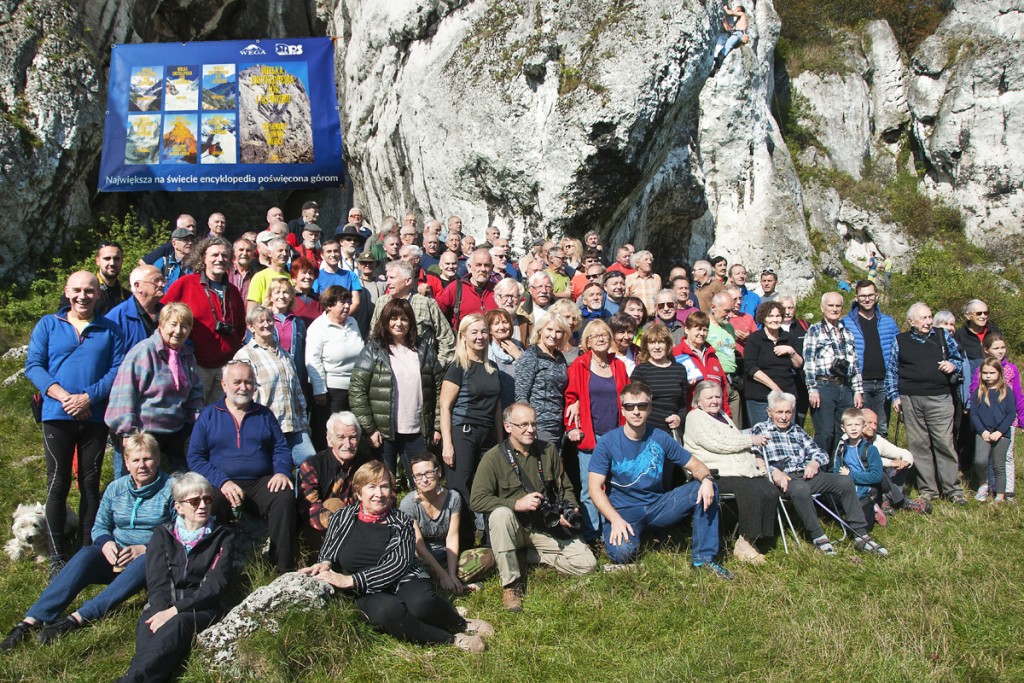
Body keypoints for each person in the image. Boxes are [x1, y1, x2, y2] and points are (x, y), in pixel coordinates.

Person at [0, 433, 173, 650]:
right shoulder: (115, 488)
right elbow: (100, 526)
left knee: (145, 560)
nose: (142, 465)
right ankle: (30, 621)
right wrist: (106, 543)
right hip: (116, 555)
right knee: (86, 554)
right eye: (135, 460)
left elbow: (179, 532)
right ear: (126, 463)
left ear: (157, 458)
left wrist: (146, 548)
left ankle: (77, 618)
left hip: (151, 559)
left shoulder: (171, 489)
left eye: (147, 459)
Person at [301, 461, 493, 652]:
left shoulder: (402, 521)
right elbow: (329, 549)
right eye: (372, 487)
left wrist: (350, 580)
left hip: (402, 578)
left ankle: (460, 622)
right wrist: (324, 563)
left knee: (421, 604)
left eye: (384, 486)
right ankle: (451, 639)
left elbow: (398, 565)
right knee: (390, 611)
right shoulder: (341, 517)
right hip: (365, 590)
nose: (379, 493)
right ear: (359, 492)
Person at [25, 271, 126, 574]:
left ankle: (86, 549)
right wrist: (66, 397)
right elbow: (34, 366)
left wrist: (87, 398)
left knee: (90, 484)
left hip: (94, 416)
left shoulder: (110, 330)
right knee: (57, 483)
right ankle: (56, 556)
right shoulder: (48, 324)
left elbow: (116, 368)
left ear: (98, 294)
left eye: (90, 291)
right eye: (77, 291)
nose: (83, 296)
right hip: (57, 414)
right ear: (67, 292)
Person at [588, 382, 733, 577]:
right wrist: (615, 520)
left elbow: (697, 466)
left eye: (642, 406)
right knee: (622, 554)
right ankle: (635, 536)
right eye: (630, 406)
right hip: (623, 512)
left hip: (658, 506)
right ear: (622, 410)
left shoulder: (660, 437)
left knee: (708, 486)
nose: (636, 411)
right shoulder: (607, 442)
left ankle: (703, 559)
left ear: (650, 409)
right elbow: (594, 488)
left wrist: (706, 479)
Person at [471, 403, 597, 610]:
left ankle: (521, 556)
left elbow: (565, 487)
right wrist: (515, 504)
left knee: (587, 564)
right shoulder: (493, 457)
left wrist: (570, 508)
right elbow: (476, 500)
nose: (530, 429)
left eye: (533, 424)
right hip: (513, 528)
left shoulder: (547, 451)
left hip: (544, 526)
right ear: (508, 427)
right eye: (523, 425)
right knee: (500, 514)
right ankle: (511, 586)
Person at [116, 473, 234, 683]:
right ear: (179, 507)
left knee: (177, 624)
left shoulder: (223, 536)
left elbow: (216, 586)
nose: (202, 506)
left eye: (208, 499)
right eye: (194, 501)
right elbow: (157, 580)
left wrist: (175, 610)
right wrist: (162, 611)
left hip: (202, 608)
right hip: (161, 605)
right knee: (148, 627)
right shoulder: (162, 534)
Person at [187, 361, 296, 574]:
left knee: (284, 496)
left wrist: (282, 471)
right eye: (237, 382)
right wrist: (223, 481)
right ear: (224, 385)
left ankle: (283, 567)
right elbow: (196, 458)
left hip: (259, 482)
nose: (243, 387)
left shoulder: (264, 415)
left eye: (248, 382)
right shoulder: (209, 415)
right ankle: (211, 567)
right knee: (210, 501)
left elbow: (281, 448)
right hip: (220, 483)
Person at [751, 391, 888, 556]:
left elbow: (820, 452)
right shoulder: (761, 429)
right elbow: (755, 459)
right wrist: (774, 472)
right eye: (779, 412)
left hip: (808, 474)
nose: (784, 417)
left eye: (788, 412)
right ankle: (818, 536)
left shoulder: (796, 430)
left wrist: (814, 463)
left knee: (844, 481)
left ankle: (860, 534)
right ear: (769, 412)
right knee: (800, 488)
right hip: (784, 479)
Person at [684, 381, 779, 564]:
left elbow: (735, 438)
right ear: (699, 401)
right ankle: (744, 544)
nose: (714, 401)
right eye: (709, 397)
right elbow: (719, 443)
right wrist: (750, 440)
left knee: (768, 489)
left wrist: (755, 458)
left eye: (718, 397)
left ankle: (755, 538)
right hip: (714, 473)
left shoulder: (722, 416)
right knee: (750, 490)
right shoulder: (695, 417)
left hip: (738, 470)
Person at [350, 298, 443, 481]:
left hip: (417, 430)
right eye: (393, 318)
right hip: (384, 433)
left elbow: (439, 388)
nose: (398, 323)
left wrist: (437, 426)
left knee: (422, 483)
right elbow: (356, 390)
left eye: (404, 319)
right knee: (384, 483)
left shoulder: (424, 349)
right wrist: (370, 428)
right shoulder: (373, 349)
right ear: (385, 320)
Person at [105, 303, 204, 474]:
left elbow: (195, 395)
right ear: (161, 325)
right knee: (139, 481)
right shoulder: (144, 352)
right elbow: (124, 395)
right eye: (173, 324)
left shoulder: (187, 355)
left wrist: (199, 423)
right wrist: (128, 433)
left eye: (184, 326)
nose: (178, 331)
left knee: (195, 467)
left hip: (176, 428)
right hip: (144, 430)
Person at [885, 302, 966, 504]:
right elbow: (892, 370)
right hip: (910, 399)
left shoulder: (942, 336)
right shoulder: (900, 340)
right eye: (924, 318)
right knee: (919, 444)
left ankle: (953, 489)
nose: (929, 322)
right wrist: (895, 396)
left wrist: (951, 365)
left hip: (939, 397)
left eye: (930, 317)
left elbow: (959, 360)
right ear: (911, 321)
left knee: (944, 442)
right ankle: (928, 490)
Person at [440, 314, 503, 550]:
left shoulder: (492, 368)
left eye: (484, 332)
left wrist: (500, 440)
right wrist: (448, 444)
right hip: (462, 433)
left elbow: (498, 407)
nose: (480, 337)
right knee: (460, 489)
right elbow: (445, 407)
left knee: (488, 486)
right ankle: (462, 545)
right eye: (474, 332)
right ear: (463, 336)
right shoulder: (457, 366)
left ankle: (490, 542)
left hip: (487, 435)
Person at [564, 320, 630, 541]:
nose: (601, 338)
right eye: (595, 335)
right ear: (587, 342)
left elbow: (627, 398)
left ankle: (611, 530)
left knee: (613, 485)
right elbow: (571, 398)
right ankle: (592, 534)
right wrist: (572, 427)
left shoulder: (618, 365)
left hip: (616, 436)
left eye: (605, 335)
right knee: (589, 488)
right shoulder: (579, 365)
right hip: (592, 436)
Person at [162, 236, 247, 403]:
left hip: (225, 366)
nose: (220, 259)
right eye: (214, 255)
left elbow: (240, 327)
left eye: (224, 256)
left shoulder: (233, 291)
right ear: (203, 258)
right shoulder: (185, 284)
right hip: (195, 364)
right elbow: (164, 316)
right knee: (194, 414)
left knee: (218, 417)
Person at [403, 452, 495, 594]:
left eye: (428, 473)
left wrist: (451, 574)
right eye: (418, 476)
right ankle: (449, 583)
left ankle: (446, 583)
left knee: (489, 556)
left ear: (438, 472)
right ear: (414, 479)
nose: (424, 480)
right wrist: (443, 574)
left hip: (448, 556)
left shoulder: (453, 498)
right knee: (414, 575)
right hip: (424, 560)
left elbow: (452, 537)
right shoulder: (408, 504)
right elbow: (419, 545)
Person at [234, 306, 315, 467]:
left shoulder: (284, 354)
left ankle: (304, 493)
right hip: (266, 427)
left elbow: (297, 390)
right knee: (274, 470)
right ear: (251, 326)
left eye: (269, 320)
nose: (266, 324)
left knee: (310, 463)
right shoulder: (244, 356)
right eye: (261, 321)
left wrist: (305, 423)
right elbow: (240, 396)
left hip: (294, 426)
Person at [803, 292, 864, 458]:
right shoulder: (814, 331)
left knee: (842, 433)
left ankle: (836, 471)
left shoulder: (847, 333)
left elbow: (855, 363)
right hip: (824, 386)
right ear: (823, 308)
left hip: (845, 387)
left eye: (838, 306)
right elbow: (808, 362)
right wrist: (812, 389)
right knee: (825, 432)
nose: (835, 309)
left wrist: (858, 390)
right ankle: (819, 470)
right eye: (831, 305)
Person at [306, 286, 365, 451]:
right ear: (329, 305)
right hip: (331, 392)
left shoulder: (353, 323)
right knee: (332, 435)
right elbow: (313, 360)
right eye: (342, 302)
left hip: (355, 388)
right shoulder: (318, 328)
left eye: (348, 302)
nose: (347, 306)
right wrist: (319, 390)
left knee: (353, 431)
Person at [299, 411, 374, 536]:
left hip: (362, 524)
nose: (347, 444)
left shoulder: (367, 464)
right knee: (333, 504)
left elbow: (386, 493)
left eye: (353, 437)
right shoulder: (313, 465)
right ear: (329, 440)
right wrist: (342, 524)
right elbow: (310, 508)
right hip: (326, 530)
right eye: (341, 437)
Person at [969, 334, 1023, 500]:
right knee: (988, 458)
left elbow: (1018, 395)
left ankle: (1008, 491)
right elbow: (974, 394)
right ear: (987, 350)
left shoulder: (1011, 369)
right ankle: (991, 487)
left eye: (1002, 348)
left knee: (1006, 457)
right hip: (986, 422)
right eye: (996, 348)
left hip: (1007, 421)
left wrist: (1021, 418)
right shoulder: (981, 371)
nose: (1000, 351)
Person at [370, 260, 456, 366]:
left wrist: (437, 366)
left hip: (421, 369)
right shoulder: (381, 302)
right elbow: (373, 335)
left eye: (392, 278)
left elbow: (447, 338)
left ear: (408, 281)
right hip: (387, 369)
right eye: (387, 278)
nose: (387, 282)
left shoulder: (426, 303)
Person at [843, 280, 899, 437]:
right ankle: (862, 460)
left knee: (881, 427)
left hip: (884, 382)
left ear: (877, 296)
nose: (867, 299)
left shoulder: (889, 322)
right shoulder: (846, 323)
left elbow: (897, 352)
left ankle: (881, 461)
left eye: (870, 295)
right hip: (860, 383)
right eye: (863, 296)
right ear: (856, 298)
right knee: (861, 427)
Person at [742, 301, 803, 427]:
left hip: (787, 396)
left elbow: (798, 365)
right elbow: (750, 367)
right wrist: (774, 388)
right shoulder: (755, 339)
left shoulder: (788, 338)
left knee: (787, 435)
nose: (775, 320)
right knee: (763, 436)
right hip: (761, 397)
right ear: (763, 318)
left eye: (778, 316)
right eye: (770, 316)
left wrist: (791, 352)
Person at [860, 408, 931, 516]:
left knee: (900, 465)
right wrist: (890, 463)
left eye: (875, 424)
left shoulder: (876, 439)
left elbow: (902, 452)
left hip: (877, 480)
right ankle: (902, 502)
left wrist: (906, 461)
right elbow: (863, 459)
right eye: (869, 423)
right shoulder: (852, 437)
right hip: (860, 479)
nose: (873, 427)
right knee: (879, 469)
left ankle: (886, 500)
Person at [514, 314, 570, 444]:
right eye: (549, 329)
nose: (553, 335)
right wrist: (528, 425)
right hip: (539, 425)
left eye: (558, 331)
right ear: (540, 330)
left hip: (558, 424)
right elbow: (521, 395)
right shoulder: (530, 357)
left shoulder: (560, 357)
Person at [630, 323, 689, 434]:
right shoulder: (641, 371)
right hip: (647, 431)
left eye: (661, 342)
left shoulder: (679, 370)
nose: (657, 347)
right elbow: (634, 404)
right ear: (646, 346)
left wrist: (679, 418)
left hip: (672, 432)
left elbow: (683, 404)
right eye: (652, 343)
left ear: (667, 345)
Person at [832, 409, 885, 531]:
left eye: (857, 425)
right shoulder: (841, 448)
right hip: (847, 488)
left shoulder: (870, 450)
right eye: (849, 425)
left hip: (865, 490)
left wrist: (851, 475)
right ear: (843, 428)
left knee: (863, 528)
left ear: (863, 426)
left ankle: (873, 506)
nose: (854, 429)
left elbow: (877, 476)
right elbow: (836, 471)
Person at [672, 311, 728, 411]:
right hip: (690, 414)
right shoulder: (676, 354)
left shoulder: (712, 355)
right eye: (698, 329)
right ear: (686, 329)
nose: (702, 333)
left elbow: (723, 389)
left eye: (705, 330)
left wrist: (727, 415)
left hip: (715, 415)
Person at [58, 241, 130, 316]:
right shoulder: (79, 292)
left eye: (116, 259)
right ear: (97, 261)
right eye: (107, 258)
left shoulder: (127, 297)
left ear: (122, 261)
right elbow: (61, 320)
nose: (112, 263)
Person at [265, 277, 308, 388]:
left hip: (294, 376)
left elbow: (303, 351)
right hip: (270, 375)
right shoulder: (263, 320)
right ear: (270, 296)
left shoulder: (298, 322)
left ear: (291, 297)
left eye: (285, 292)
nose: (281, 296)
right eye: (277, 292)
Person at [486, 308, 523, 406]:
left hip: (518, 406)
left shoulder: (520, 350)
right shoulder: (485, 353)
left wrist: (519, 357)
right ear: (489, 329)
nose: (502, 327)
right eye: (496, 323)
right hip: (496, 407)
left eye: (505, 322)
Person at [709, 4, 749, 77]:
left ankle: (718, 61)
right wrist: (724, 20)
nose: (734, 11)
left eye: (736, 9)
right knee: (723, 51)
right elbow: (729, 29)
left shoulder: (742, 14)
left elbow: (730, 13)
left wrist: (725, 8)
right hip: (739, 36)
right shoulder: (740, 21)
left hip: (738, 34)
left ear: (739, 10)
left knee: (725, 50)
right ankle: (714, 69)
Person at [289, 256, 323, 329]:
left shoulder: (321, 299)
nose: (308, 276)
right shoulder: (288, 298)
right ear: (294, 278)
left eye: (311, 273)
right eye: (303, 273)